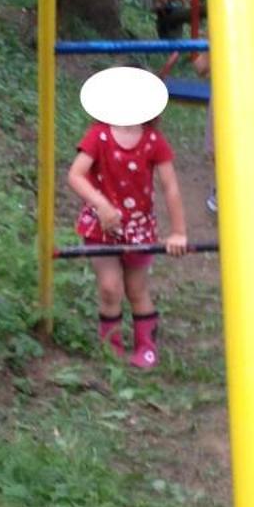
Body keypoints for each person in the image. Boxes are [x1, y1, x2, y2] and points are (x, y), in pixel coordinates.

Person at [68, 66, 188, 372]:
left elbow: (170, 187)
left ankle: (146, 346)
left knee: (136, 290)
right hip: (100, 227)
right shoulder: (98, 136)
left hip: (139, 229)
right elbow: (76, 175)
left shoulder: (153, 141)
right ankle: (111, 348)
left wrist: (178, 232)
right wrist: (101, 204)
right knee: (110, 288)